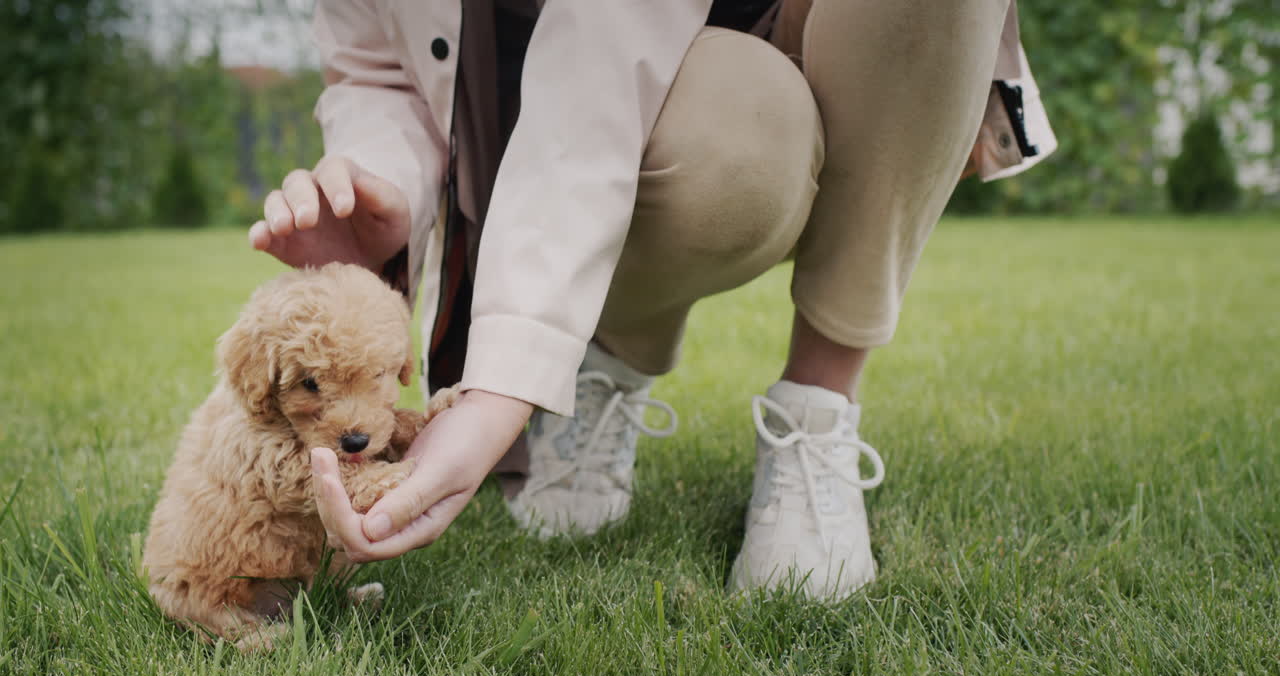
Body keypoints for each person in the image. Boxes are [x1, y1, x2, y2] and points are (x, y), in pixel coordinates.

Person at [250, 0, 1054, 599]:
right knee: (740, 129)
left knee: (744, 111)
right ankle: (604, 364)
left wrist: (500, 393)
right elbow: (377, 64)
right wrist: (380, 179)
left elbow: (605, 45)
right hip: (634, 125)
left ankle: (818, 406)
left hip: (722, 53)